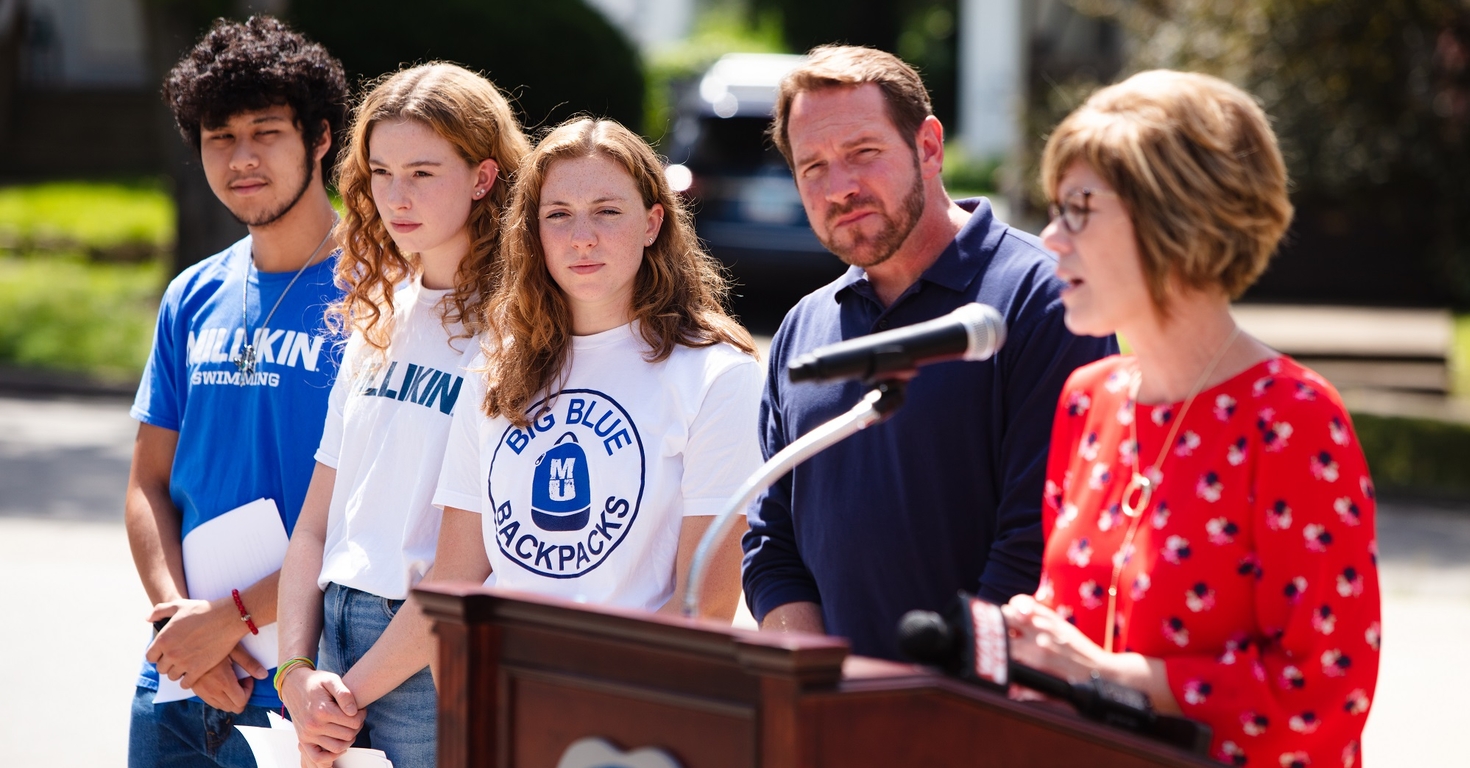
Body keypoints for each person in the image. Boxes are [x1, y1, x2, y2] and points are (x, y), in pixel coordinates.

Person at [1000, 70, 1380, 768]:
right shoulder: (1089, 399)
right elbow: (1072, 629)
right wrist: (1030, 645)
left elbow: (1325, 695)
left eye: (1080, 207)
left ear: (1175, 216)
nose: (1051, 237)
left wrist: (1102, 677)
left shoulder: (1293, 419)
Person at [741, 45, 1117, 660]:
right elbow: (772, 542)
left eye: (863, 153)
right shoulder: (802, 328)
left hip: (986, 723)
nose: (840, 187)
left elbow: (1042, 541)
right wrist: (814, 685)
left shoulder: (1045, 299)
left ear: (929, 146)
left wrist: (935, 703)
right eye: (812, 167)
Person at [275, 64, 530, 768]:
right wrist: (295, 672)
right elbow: (314, 528)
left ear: (483, 177)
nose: (396, 196)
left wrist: (344, 699)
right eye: (381, 172)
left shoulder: (520, 331)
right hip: (330, 639)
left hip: (428, 658)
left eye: (423, 171)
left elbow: (465, 569)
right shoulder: (379, 312)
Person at [125, 16, 347, 768]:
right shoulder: (193, 294)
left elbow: (373, 515)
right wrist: (180, 625)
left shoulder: (383, 299)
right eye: (220, 136)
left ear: (320, 138)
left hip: (307, 688)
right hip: (180, 679)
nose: (242, 157)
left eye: (267, 131)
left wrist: (235, 619)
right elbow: (148, 483)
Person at [429, 117, 761, 621]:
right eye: (558, 214)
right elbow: (456, 581)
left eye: (607, 211)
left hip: (630, 691)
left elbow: (704, 605)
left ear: (652, 224)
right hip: (497, 685)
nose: (581, 237)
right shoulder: (496, 365)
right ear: (534, 232)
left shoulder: (717, 375)